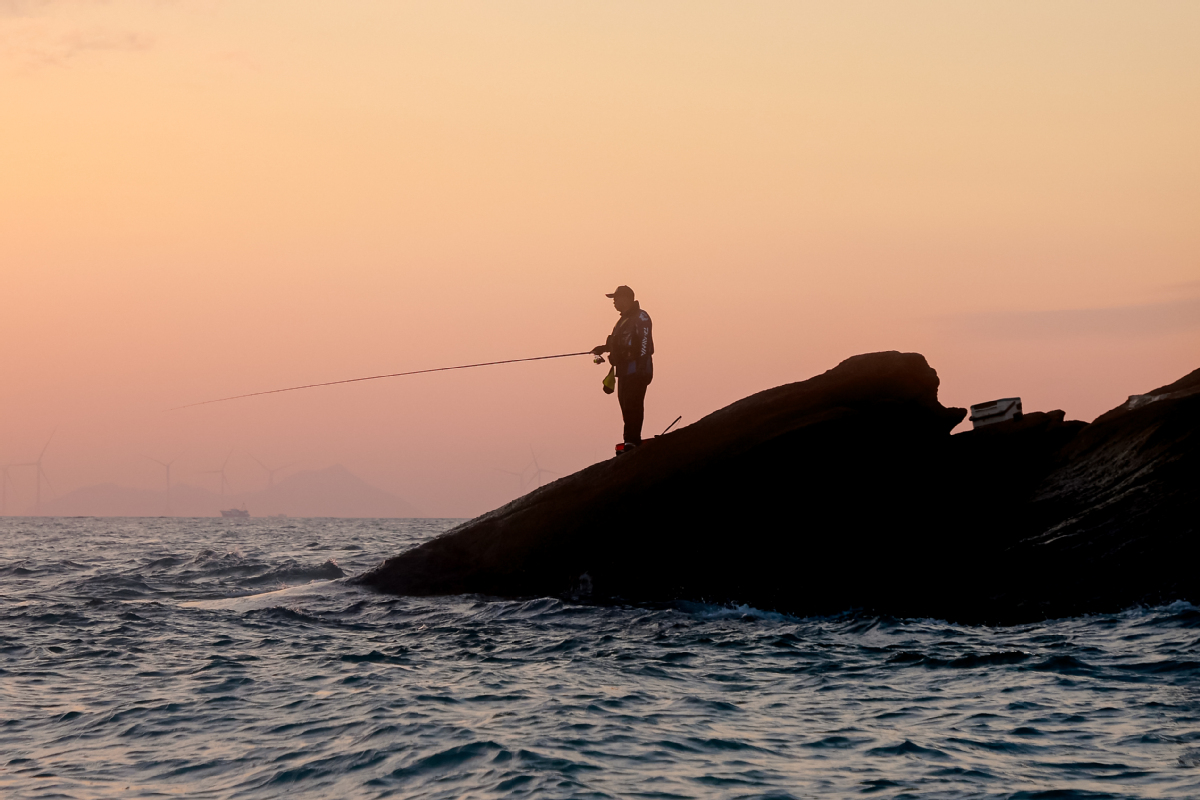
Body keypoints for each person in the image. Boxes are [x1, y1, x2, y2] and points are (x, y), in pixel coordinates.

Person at [592, 285, 654, 452]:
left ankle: (632, 441)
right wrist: (603, 348)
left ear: (626, 298)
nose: (614, 302)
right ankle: (630, 440)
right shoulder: (622, 321)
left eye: (616, 298)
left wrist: (641, 368)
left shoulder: (641, 317)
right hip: (624, 371)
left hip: (637, 370)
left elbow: (644, 343)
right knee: (626, 406)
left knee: (633, 404)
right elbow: (616, 344)